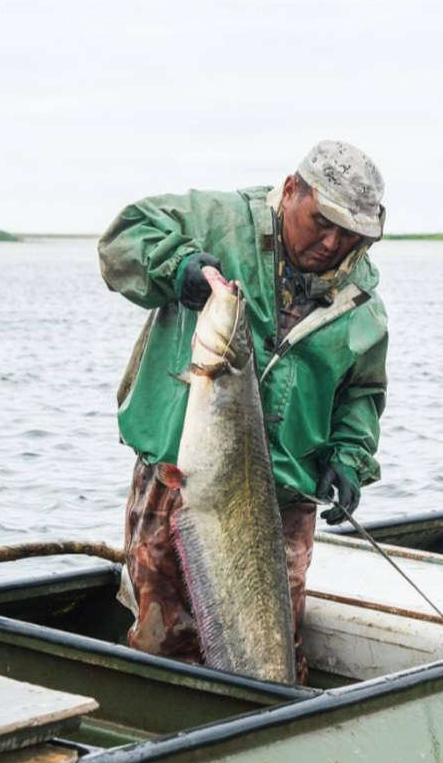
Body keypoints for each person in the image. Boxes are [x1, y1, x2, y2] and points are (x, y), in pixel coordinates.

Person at [98, 140, 389, 684]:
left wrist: (349, 458)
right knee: (166, 640)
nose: (331, 243)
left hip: (283, 497)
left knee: (269, 645)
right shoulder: (217, 221)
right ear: (290, 190)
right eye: (321, 222)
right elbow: (122, 238)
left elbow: (361, 392)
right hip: (183, 477)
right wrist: (178, 267)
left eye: (350, 234)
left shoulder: (362, 303)